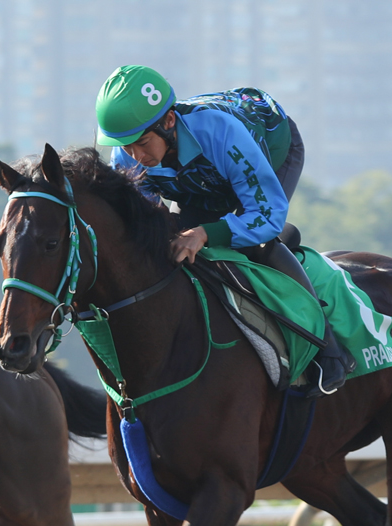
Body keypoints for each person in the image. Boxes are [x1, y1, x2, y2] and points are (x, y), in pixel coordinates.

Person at [95, 65, 355, 393]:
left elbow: (266, 213)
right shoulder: (127, 156)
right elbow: (149, 222)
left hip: (268, 149)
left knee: (258, 244)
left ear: (169, 122)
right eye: (126, 146)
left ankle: (328, 347)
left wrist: (205, 233)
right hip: (200, 180)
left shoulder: (220, 133)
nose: (136, 156)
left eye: (143, 143)